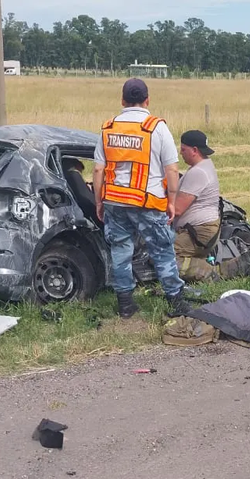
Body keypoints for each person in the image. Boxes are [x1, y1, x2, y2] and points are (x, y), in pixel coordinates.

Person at [93, 78, 192, 318]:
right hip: (148, 202)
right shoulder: (155, 127)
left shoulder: (108, 128)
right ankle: (176, 303)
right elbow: (171, 169)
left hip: (115, 202)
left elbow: (98, 170)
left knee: (121, 251)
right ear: (147, 100)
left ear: (122, 101)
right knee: (162, 250)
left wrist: (99, 201)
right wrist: (171, 200)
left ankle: (126, 304)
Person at [173, 130, 222, 282]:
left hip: (200, 232)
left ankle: (214, 271)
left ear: (195, 150)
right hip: (200, 230)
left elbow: (177, 209)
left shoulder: (198, 172)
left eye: (183, 149)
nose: (181, 153)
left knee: (165, 257)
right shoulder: (204, 166)